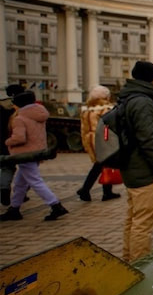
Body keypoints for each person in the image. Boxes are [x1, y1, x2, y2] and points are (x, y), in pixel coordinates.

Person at [119, 61, 153, 262]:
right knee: (143, 223)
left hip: (133, 168)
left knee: (133, 220)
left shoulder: (130, 98)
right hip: (143, 170)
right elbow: (149, 141)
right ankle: (140, 265)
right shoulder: (142, 103)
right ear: (149, 80)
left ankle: (128, 261)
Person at [1, 91, 69, 221]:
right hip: (36, 153)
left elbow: (19, 138)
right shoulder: (38, 114)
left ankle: (55, 205)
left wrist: (7, 142)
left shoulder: (19, 118)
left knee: (35, 181)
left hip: (24, 154)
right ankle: (14, 209)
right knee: (20, 183)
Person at [76, 85, 121, 202]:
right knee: (102, 163)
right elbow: (109, 125)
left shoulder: (86, 109)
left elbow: (83, 128)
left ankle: (104, 191)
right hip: (102, 138)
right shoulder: (106, 108)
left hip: (90, 139)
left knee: (101, 164)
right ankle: (87, 190)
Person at [1, 84, 25, 206]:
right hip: (17, 141)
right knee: (27, 169)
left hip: (3, 141)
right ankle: (22, 192)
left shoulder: (2, 104)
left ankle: (5, 187)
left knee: (7, 167)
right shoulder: (22, 106)